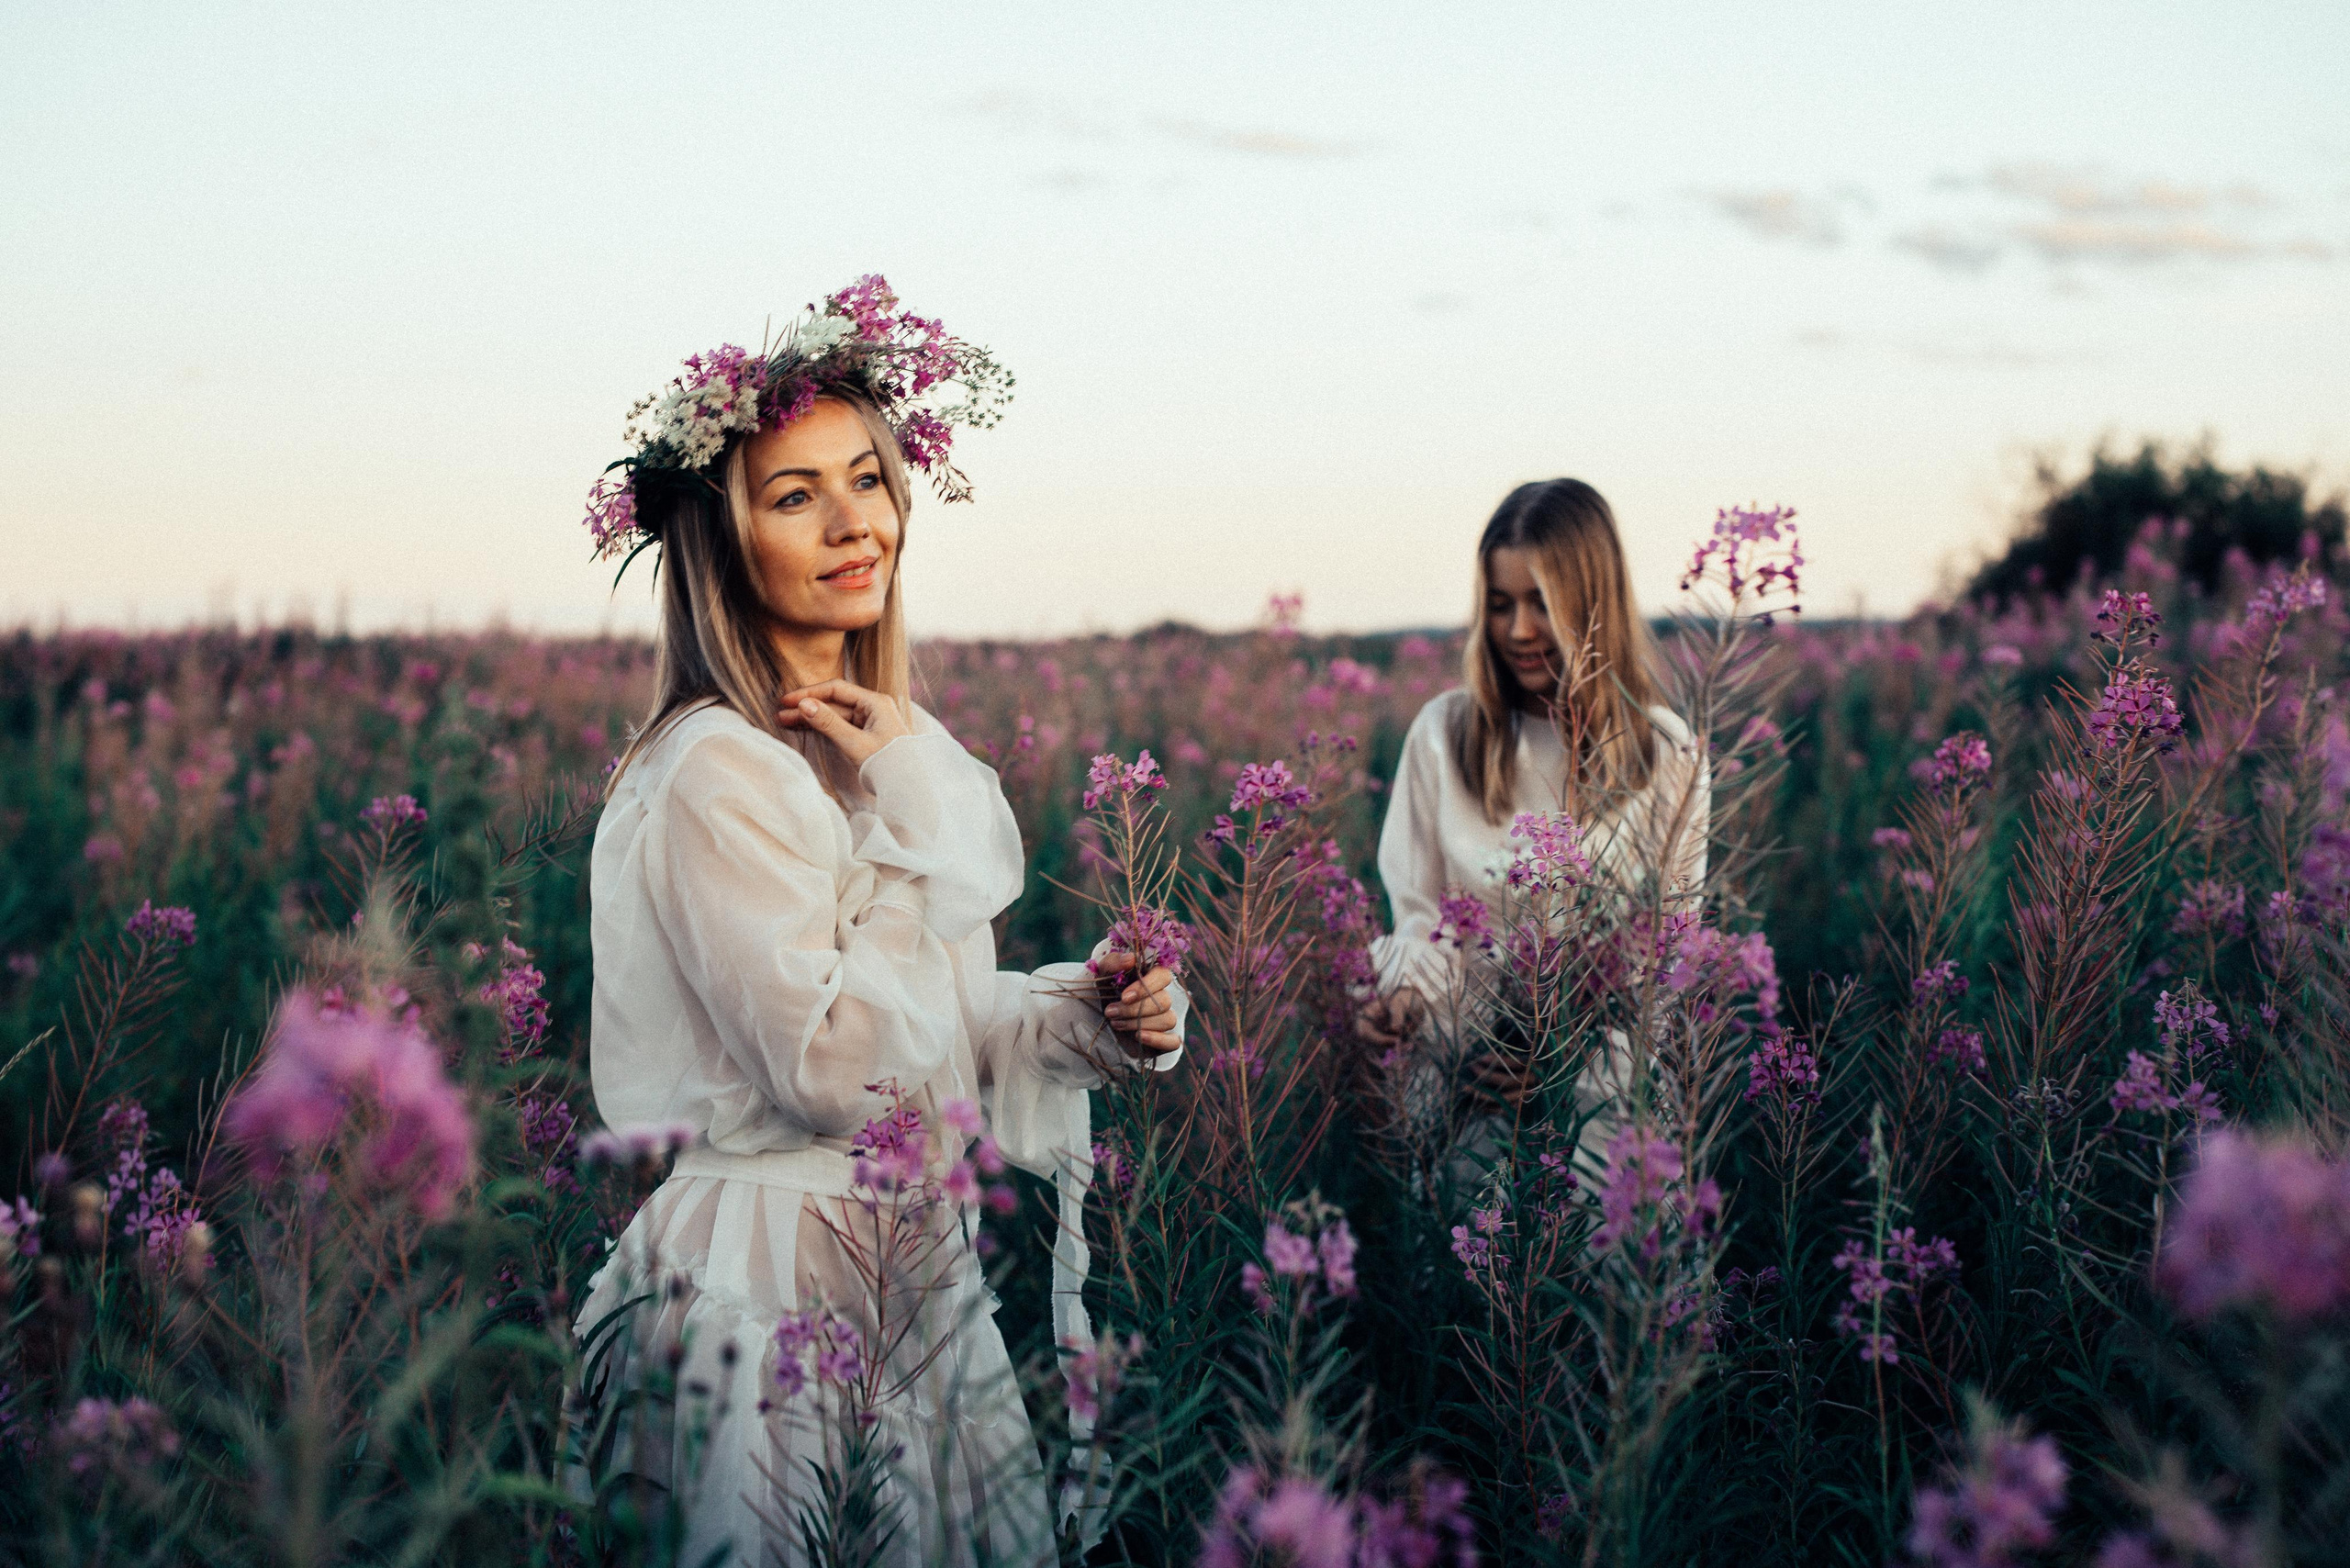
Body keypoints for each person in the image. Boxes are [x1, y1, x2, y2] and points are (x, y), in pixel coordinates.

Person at [572, 277, 1184, 1568]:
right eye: (795, 496)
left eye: (868, 478)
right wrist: (919, 828)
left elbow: (931, 1032)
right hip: (763, 1275)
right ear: (723, 543)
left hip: (900, 1269)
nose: (858, 523)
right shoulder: (717, 769)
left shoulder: (882, 748)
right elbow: (839, 1069)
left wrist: (1091, 1015)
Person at [1359, 478, 1707, 1164]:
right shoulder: (1444, 734)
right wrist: (1400, 1005)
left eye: (1541, 604)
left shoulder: (1666, 752)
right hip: (1468, 1103)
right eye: (1499, 605)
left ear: (1593, 603)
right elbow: (1419, 921)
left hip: (1605, 1116)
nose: (1518, 630)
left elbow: (1665, 956)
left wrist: (1561, 1062)